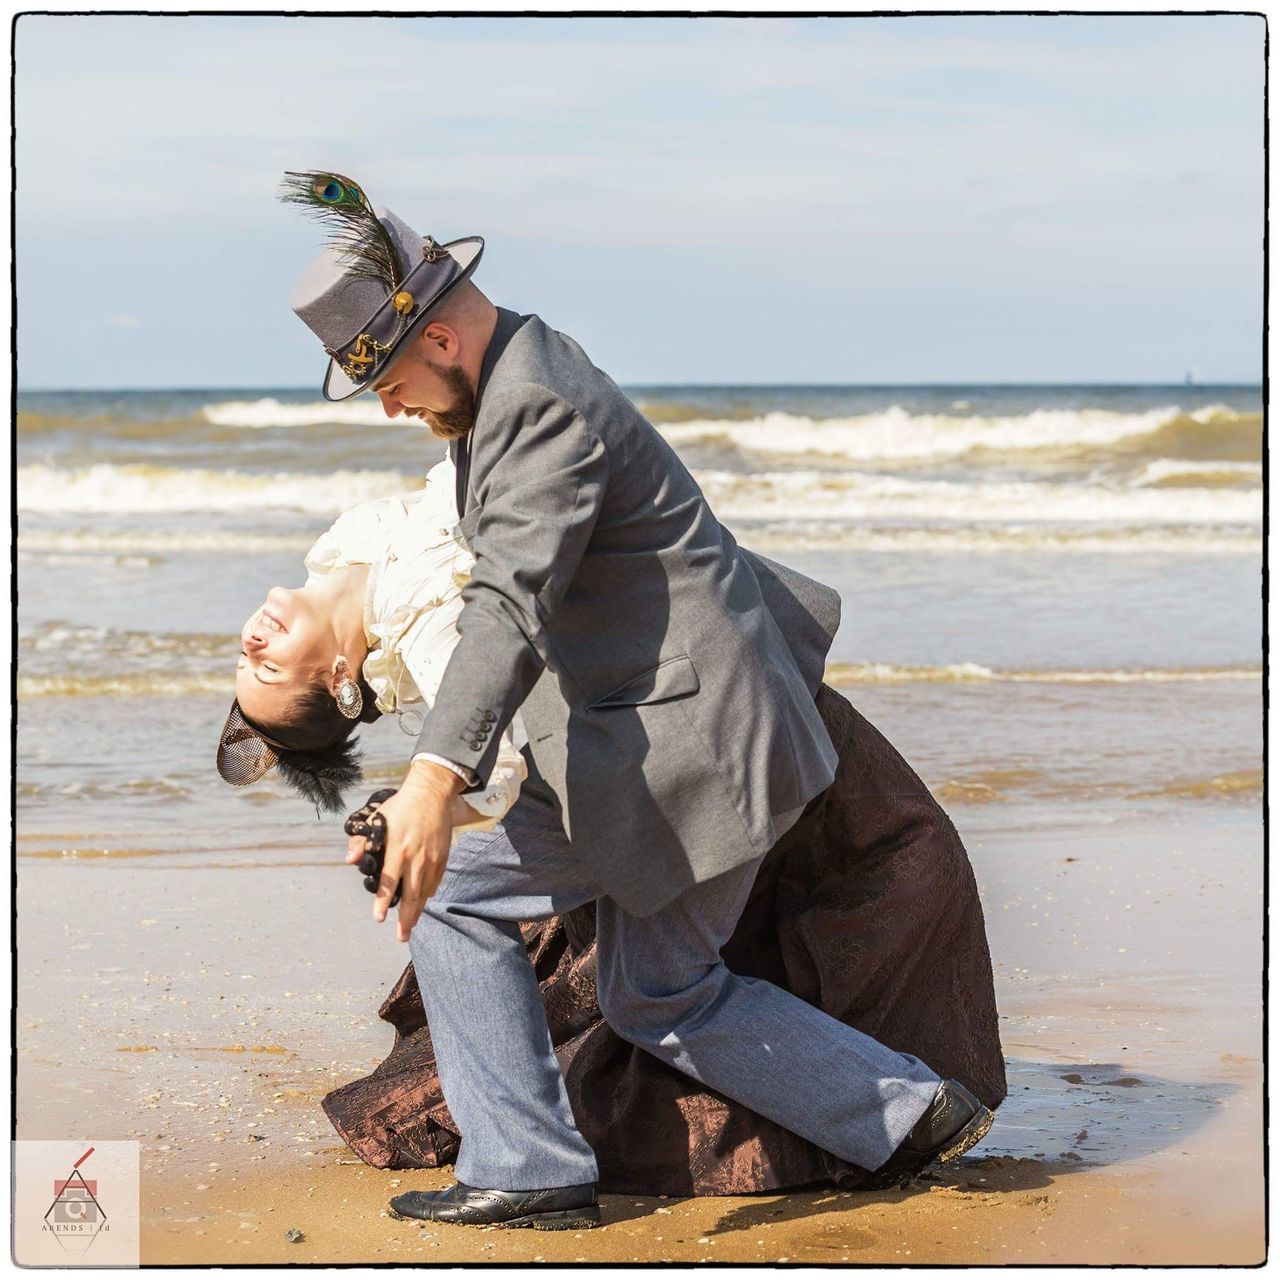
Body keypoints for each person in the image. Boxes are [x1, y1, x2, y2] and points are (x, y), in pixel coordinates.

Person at [233, 170, 1000, 1230]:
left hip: (693, 743)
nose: (387, 403)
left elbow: (505, 602)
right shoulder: (500, 395)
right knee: (616, 972)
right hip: (625, 738)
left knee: (638, 981)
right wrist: (447, 791)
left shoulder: (536, 408)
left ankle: (879, 1115)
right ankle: (888, 1115)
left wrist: (429, 777)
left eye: (384, 377)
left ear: (441, 340)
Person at [217, 455, 526, 832]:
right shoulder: (420, 633)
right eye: (268, 668)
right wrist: (422, 813)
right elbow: (500, 774)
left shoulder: (337, 550)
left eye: (242, 658)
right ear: (339, 679)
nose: (250, 642)